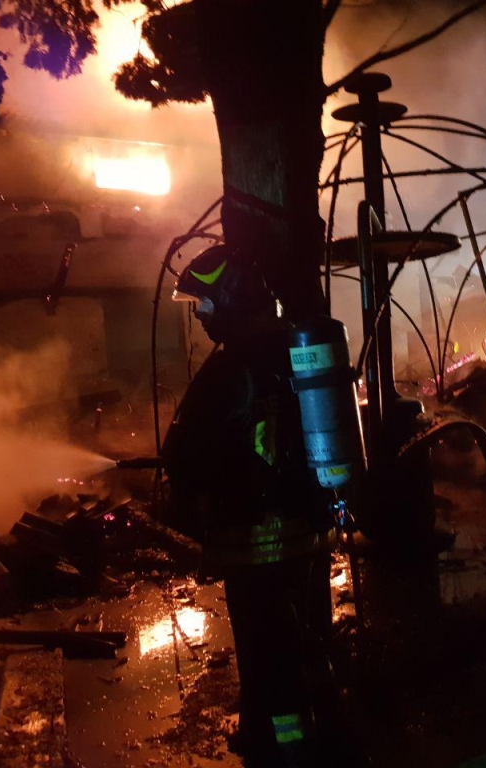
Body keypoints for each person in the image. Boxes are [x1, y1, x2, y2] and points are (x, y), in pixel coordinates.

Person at [161, 244, 339, 768]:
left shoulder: (229, 370)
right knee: (306, 644)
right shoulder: (297, 352)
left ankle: (282, 751)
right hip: (308, 531)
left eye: (207, 303)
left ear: (234, 298)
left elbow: (184, 454)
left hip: (254, 540)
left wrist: (192, 493)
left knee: (267, 657)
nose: (201, 315)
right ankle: (322, 734)